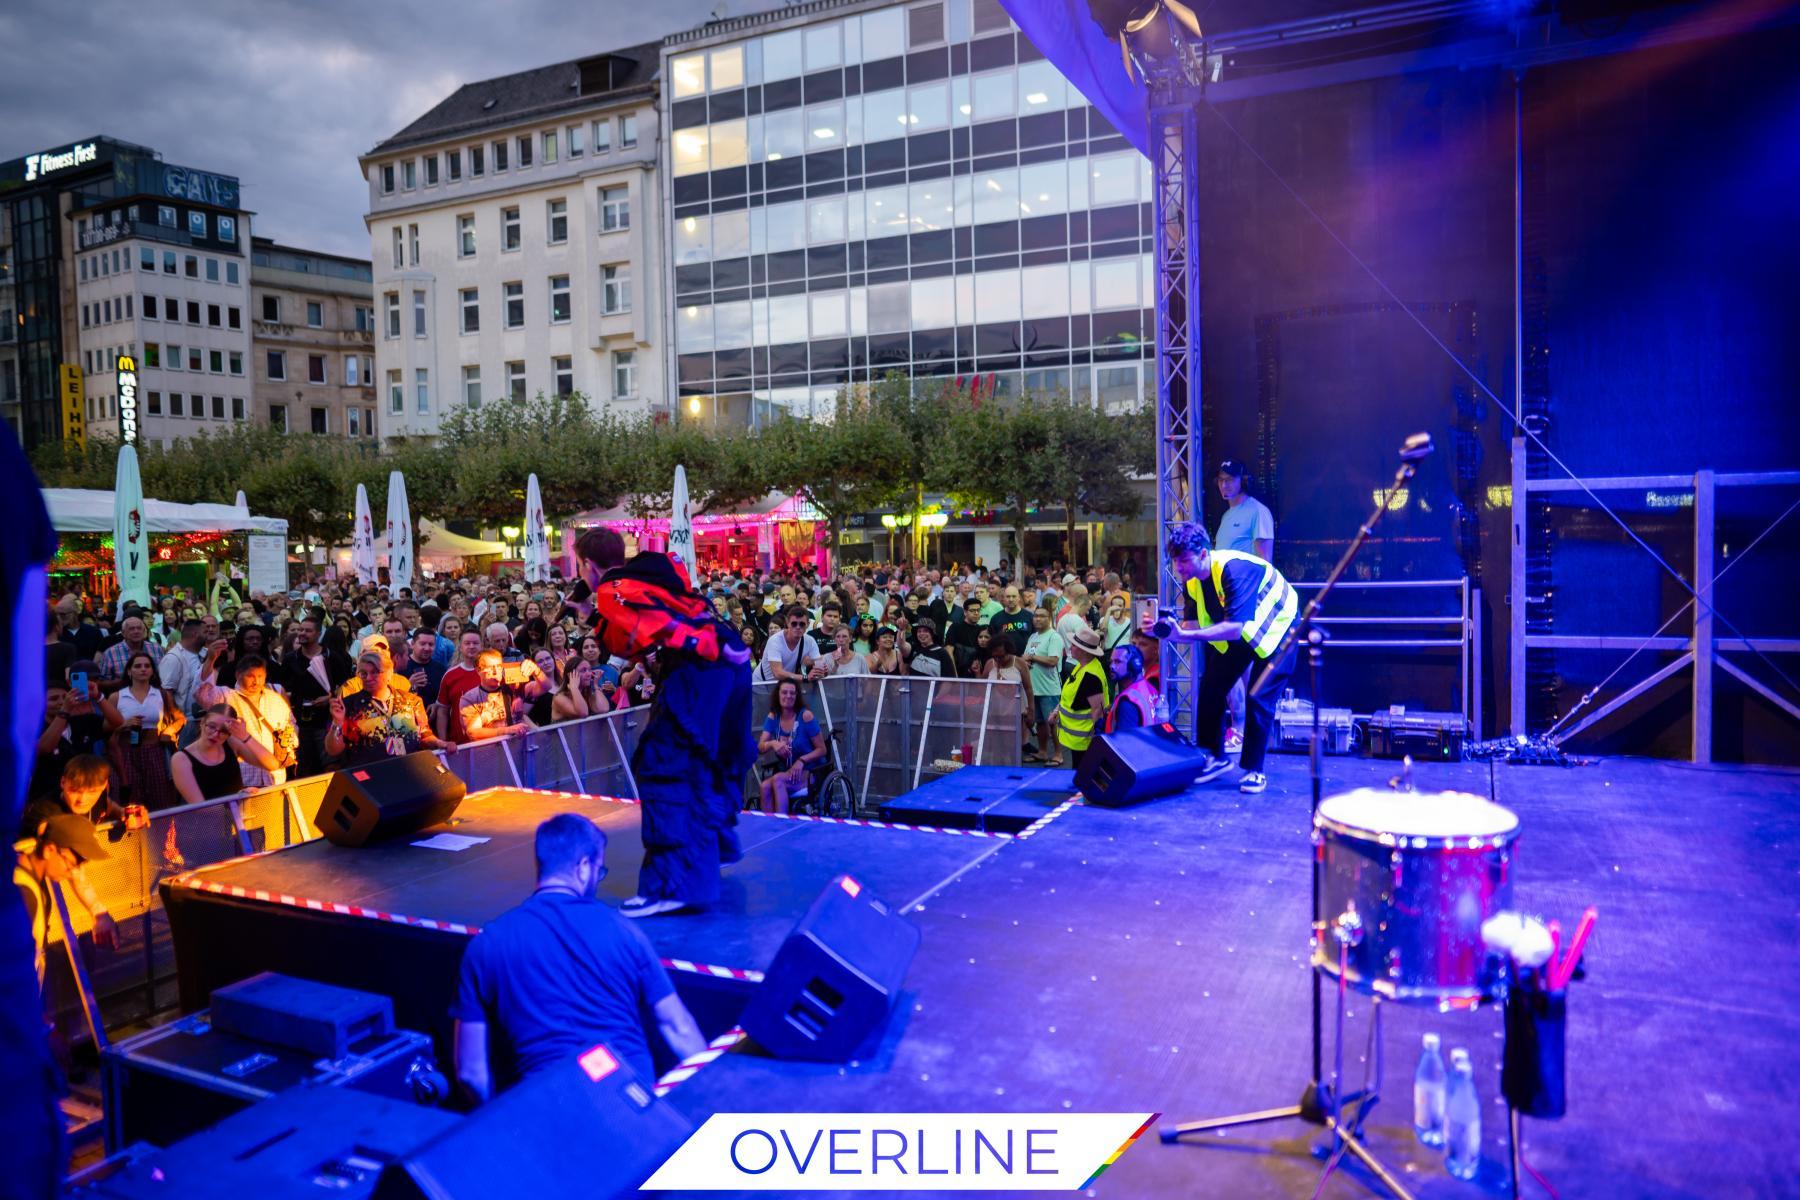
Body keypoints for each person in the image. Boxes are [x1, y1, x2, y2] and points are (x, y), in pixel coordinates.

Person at [452, 815, 706, 1099]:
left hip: (547, 1107)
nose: (597, 878)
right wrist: (717, 1096)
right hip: (629, 1103)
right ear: (584, 867)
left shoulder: (487, 944)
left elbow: (471, 1074)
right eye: (600, 870)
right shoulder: (623, 931)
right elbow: (679, 1028)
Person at [574, 528, 754, 919]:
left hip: (702, 666)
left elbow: (655, 631)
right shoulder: (649, 576)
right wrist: (593, 617)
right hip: (730, 660)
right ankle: (718, 844)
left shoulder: (613, 588)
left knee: (664, 764)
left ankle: (673, 886)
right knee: (712, 755)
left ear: (587, 564)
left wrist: (599, 604)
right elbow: (636, 639)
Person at [1153, 522, 1297, 794]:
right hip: (1244, 632)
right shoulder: (1192, 581)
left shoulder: (1233, 570)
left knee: (1258, 697)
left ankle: (1255, 770)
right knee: (1211, 687)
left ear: (1203, 553)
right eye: (1176, 561)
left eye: (1184, 560)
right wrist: (1166, 632)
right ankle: (1214, 757)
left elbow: (1233, 629)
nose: (1179, 567)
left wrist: (1185, 635)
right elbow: (1192, 625)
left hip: (1279, 627)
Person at [16, 815, 112, 987]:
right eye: (73, 864)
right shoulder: (24, 893)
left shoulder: (23, 872)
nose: (73, 873)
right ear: (49, 850)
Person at [325, 651, 451, 767]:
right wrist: (337, 723)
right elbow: (333, 750)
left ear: (389, 673)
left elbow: (424, 735)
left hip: (410, 770)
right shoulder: (349, 706)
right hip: (370, 774)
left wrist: (440, 743)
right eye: (363, 673)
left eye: (374, 672)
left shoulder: (411, 701)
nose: (368, 678)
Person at [198, 653, 296, 790]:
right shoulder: (226, 696)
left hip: (275, 777)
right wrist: (210, 659)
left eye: (260, 676)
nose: (256, 681)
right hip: (243, 777)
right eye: (250, 676)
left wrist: (290, 740)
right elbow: (202, 694)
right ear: (238, 675)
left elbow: (291, 724)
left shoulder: (275, 698)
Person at [100, 650, 184, 810]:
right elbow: (105, 726)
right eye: (138, 666)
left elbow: (180, 718)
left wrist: (169, 730)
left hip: (155, 751)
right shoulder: (117, 696)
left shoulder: (161, 694)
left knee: (161, 797)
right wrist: (123, 724)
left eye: (147, 666)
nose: (143, 669)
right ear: (129, 671)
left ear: (152, 671)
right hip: (125, 753)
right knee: (130, 800)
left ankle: (163, 827)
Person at [279, 612, 353, 777]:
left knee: (331, 766)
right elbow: (282, 687)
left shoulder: (331, 656)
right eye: (301, 630)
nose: (302, 633)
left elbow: (345, 685)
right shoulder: (291, 659)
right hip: (300, 722)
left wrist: (329, 698)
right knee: (303, 768)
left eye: (308, 631)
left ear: (318, 634)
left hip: (326, 721)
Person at [172, 705, 277, 805]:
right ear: (202, 723)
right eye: (212, 727)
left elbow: (273, 765)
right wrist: (236, 799)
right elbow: (200, 808)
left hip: (235, 814)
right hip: (205, 818)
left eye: (224, 731)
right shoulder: (181, 759)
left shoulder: (231, 744)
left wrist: (245, 736)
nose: (216, 734)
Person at [757, 680, 825, 815]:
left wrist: (801, 761)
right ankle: (770, 826)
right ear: (778, 694)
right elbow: (760, 747)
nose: (788, 696)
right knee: (764, 786)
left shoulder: (805, 716)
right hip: (787, 772)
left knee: (778, 779)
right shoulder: (773, 716)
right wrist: (773, 743)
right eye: (784, 692)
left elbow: (822, 749)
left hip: (810, 772)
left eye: (792, 693)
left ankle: (783, 824)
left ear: (797, 696)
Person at [1054, 627, 1112, 773]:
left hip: (1085, 740)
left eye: (1074, 645)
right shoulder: (1083, 666)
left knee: (1082, 774)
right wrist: (1056, 711)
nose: (1070, 648)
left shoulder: (1091, 676)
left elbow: (1097, 711)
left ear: (1084, 651)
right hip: (1079, 739)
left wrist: (1097, 742)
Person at [459, 650, 535, 743]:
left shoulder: (512, 688)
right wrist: (507, 730)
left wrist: (536, 671)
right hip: (490, 749)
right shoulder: (470, 698)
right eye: (490, 668)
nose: (495, 671)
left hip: (518, 745)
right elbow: (473, 733)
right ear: (478, 670)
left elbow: (545, 687)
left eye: (499, 666)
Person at [1022, 608, 1065, 765]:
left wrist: (1032, 657)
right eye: (1036, 616)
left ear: (1050, 618)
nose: (1038, 619)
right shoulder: (1033, 636)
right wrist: (1025, 661)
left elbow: (1053, 660)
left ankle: (1058, 754)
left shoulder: (1054, 637)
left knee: (1053, 722)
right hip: (1034, 688)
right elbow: (1026, 657)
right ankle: (1042, 752)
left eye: (1042, 616)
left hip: (1049, 688)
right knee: (1040, 722)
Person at [436, 630, 487, 743]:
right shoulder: (450, 675)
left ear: (482, 646)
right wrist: (443, 742)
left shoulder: (493, 672)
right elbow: (443, 711)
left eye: (475, 643)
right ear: (460, 647)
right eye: (467, 643)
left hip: (491, 740)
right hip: (460, 742)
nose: (471, 646)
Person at [757, 605, 819, 684]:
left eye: (802, 624)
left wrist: (822, 671)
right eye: (794, 624)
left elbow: (819, 663)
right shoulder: (775, 640)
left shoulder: (810, 641)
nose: (798, 627)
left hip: (785, 685)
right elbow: (778, 673)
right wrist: (805, 677)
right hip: (762, 684)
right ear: (787, 623)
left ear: (808, 624)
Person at [97, 613, 162, 684]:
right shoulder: (110, 653)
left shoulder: (156, 649)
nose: (136, 631)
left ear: (144, 631)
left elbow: (163, 675)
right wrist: (124, 682)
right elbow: (101, 682)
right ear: (123, 633)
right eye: (131, 629)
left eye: (139, 628)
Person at [1105, 644, 1158, 732]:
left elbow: (1125, 739)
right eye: (1111, 662)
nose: (1112, 666)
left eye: (1117, 662)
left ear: (1134, 665)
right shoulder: (1149, 688)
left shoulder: (1127, 702)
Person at [987, 586, 1034, 657]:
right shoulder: (996, 618)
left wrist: (1031, 655)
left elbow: (1036, 639)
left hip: (1025, 659)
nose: (1011, 599)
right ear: (1004, 598)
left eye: (1014, 596)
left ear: (1019, 598)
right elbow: (992, 641)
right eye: (1008, 596)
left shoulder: (1029, 616)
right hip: (1002, 660)